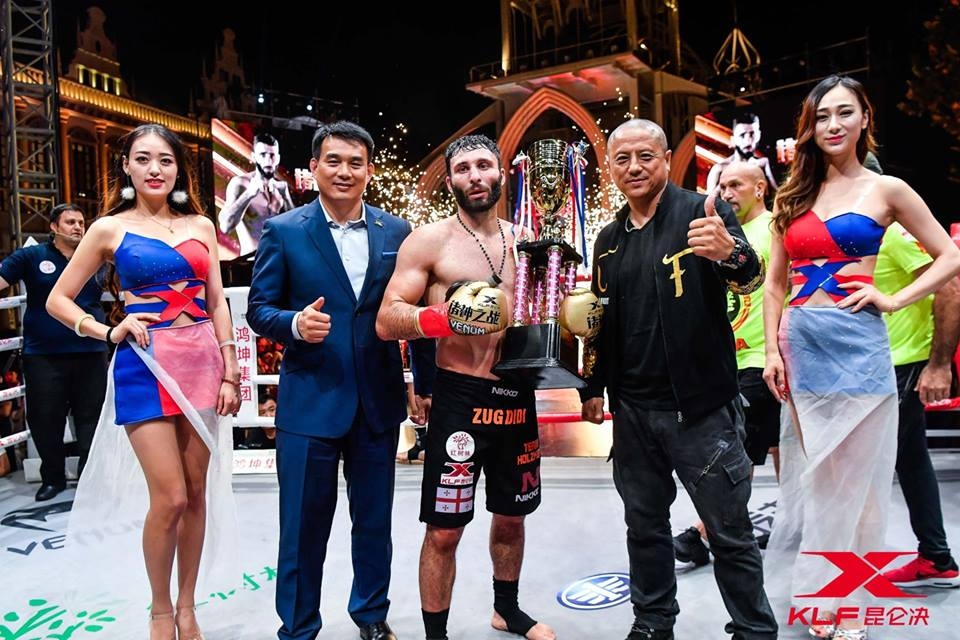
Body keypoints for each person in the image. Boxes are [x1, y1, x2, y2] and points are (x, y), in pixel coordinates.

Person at [761, 75, 960, 639]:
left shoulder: (887, 189)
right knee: (821, 479)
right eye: (821, 116)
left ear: (864, 118)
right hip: (802, 347)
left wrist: (893, 298)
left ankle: (848, 602)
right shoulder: (792, 196)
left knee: (863, 482)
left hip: (861, 348)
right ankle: (819, 594)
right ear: (809, 127)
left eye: (844, 113)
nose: (833, 125)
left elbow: (949, 257)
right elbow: (774, 284)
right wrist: (773, 349)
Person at [578, 118, 777, 640]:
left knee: (730, 532)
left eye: (646, 156)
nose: (634, 167)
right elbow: (601, 321)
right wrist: (593, 388)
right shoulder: (607, 240)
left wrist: (730, 252)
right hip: (633, 412)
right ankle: (652, 623)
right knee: (644, 528)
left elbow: (750, 278)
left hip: (702, 410)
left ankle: (755, 630)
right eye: (622, 159)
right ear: (609, 167)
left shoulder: (702, 211)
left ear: (667, 160)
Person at [46, 123, 241, 640]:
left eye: (166, 160)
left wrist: (231, 367)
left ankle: (187, 606)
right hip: (145, 366)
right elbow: (57, 299)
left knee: (196, 494)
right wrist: (107, 330)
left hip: (202, 364)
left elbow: (216, 300)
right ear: (127, 166)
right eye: (144, 159)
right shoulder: (108, 229)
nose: (155, 169)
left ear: (178, 170)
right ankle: (159, 609)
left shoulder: (202, 224)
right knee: (170, 496)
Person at [246, 120, 434, 640]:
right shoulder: (284, 230)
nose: (345, 171)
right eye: (333, 161)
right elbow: (259, 309)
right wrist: (293, 324)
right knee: (302, 528)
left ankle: (371, 616)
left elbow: (415, 311)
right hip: (310, 401)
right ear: (314, 168)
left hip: (377, 400)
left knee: (373, 523)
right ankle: (298, 627)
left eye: (356, 162)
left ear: (369, 170)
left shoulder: (396, 232)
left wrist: (423, 382)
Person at [376, 134, 561, 640]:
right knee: (444, 529)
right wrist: (446, 317)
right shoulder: (429, 241)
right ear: (451, 180)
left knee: (513, 517)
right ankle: (436, 634)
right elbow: (387, 320)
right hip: (460, 398)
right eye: (463, 169)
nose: (475, 176)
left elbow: (544, 315)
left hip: (517, 396)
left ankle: (507, 610)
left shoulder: (529, 238)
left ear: (501, 173)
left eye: (484, 165)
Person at [672, 162, 781, 568]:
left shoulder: (774, 229)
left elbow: (782, 290)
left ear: (760, 188)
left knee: (739, 449)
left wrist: (777, 351)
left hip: (760, 358)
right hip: (722, 360)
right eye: (721, 185)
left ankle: (703, 532)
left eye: (736, 184)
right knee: (763, 446)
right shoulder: (713, 230)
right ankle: (792, 520)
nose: (726, 192)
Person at [0, 203, 108, 501]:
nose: (78, 227)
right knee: (45, 418)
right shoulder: (32, 256)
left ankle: (90, 478)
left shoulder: (97, 255)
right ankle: (53, 478)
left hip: (90, 349)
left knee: (92, 416)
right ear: (53, 227)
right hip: (43, 354)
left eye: (81, 222)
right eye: (70, 222)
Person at [873, 223, 960, 587]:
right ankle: (937, 558)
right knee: (911, 459)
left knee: (865, 471)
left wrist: (939, 365)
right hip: (875, 363)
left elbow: (951, 288)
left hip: (901, 363)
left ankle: (844, 578)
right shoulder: (855, 232)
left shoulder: (893, 233)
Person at [219, 131, 295, 255]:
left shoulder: (280, 190)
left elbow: (295, 231)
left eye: (272, 155)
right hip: (251, 262)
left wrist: (287, 198)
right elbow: (225, 226)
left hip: (277, 260)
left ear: (278, 158)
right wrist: (248, 194)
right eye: (263, 155)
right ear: (254, 157)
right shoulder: (241, 183)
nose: (268, 161)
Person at [705, 112, 778, 196]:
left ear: (759, 135)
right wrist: (725, 182)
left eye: (752, 134)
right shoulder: (719, 169)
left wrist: (767, 173)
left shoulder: (762, 164)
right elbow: (707, 202)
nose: (748, 141)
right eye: (742, 135)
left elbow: (778, 198)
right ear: (733, 140)